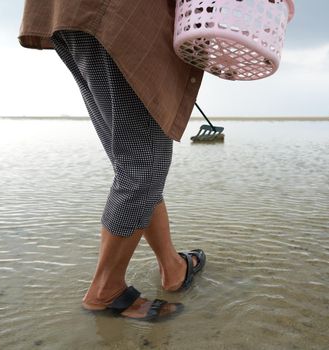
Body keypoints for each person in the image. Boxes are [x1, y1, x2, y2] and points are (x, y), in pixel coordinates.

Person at [18, 1, 206, 320]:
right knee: (142, 170)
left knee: (135, 166)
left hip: (71, 13)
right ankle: (106, 291)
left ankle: (172, 268)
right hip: (118, 16)